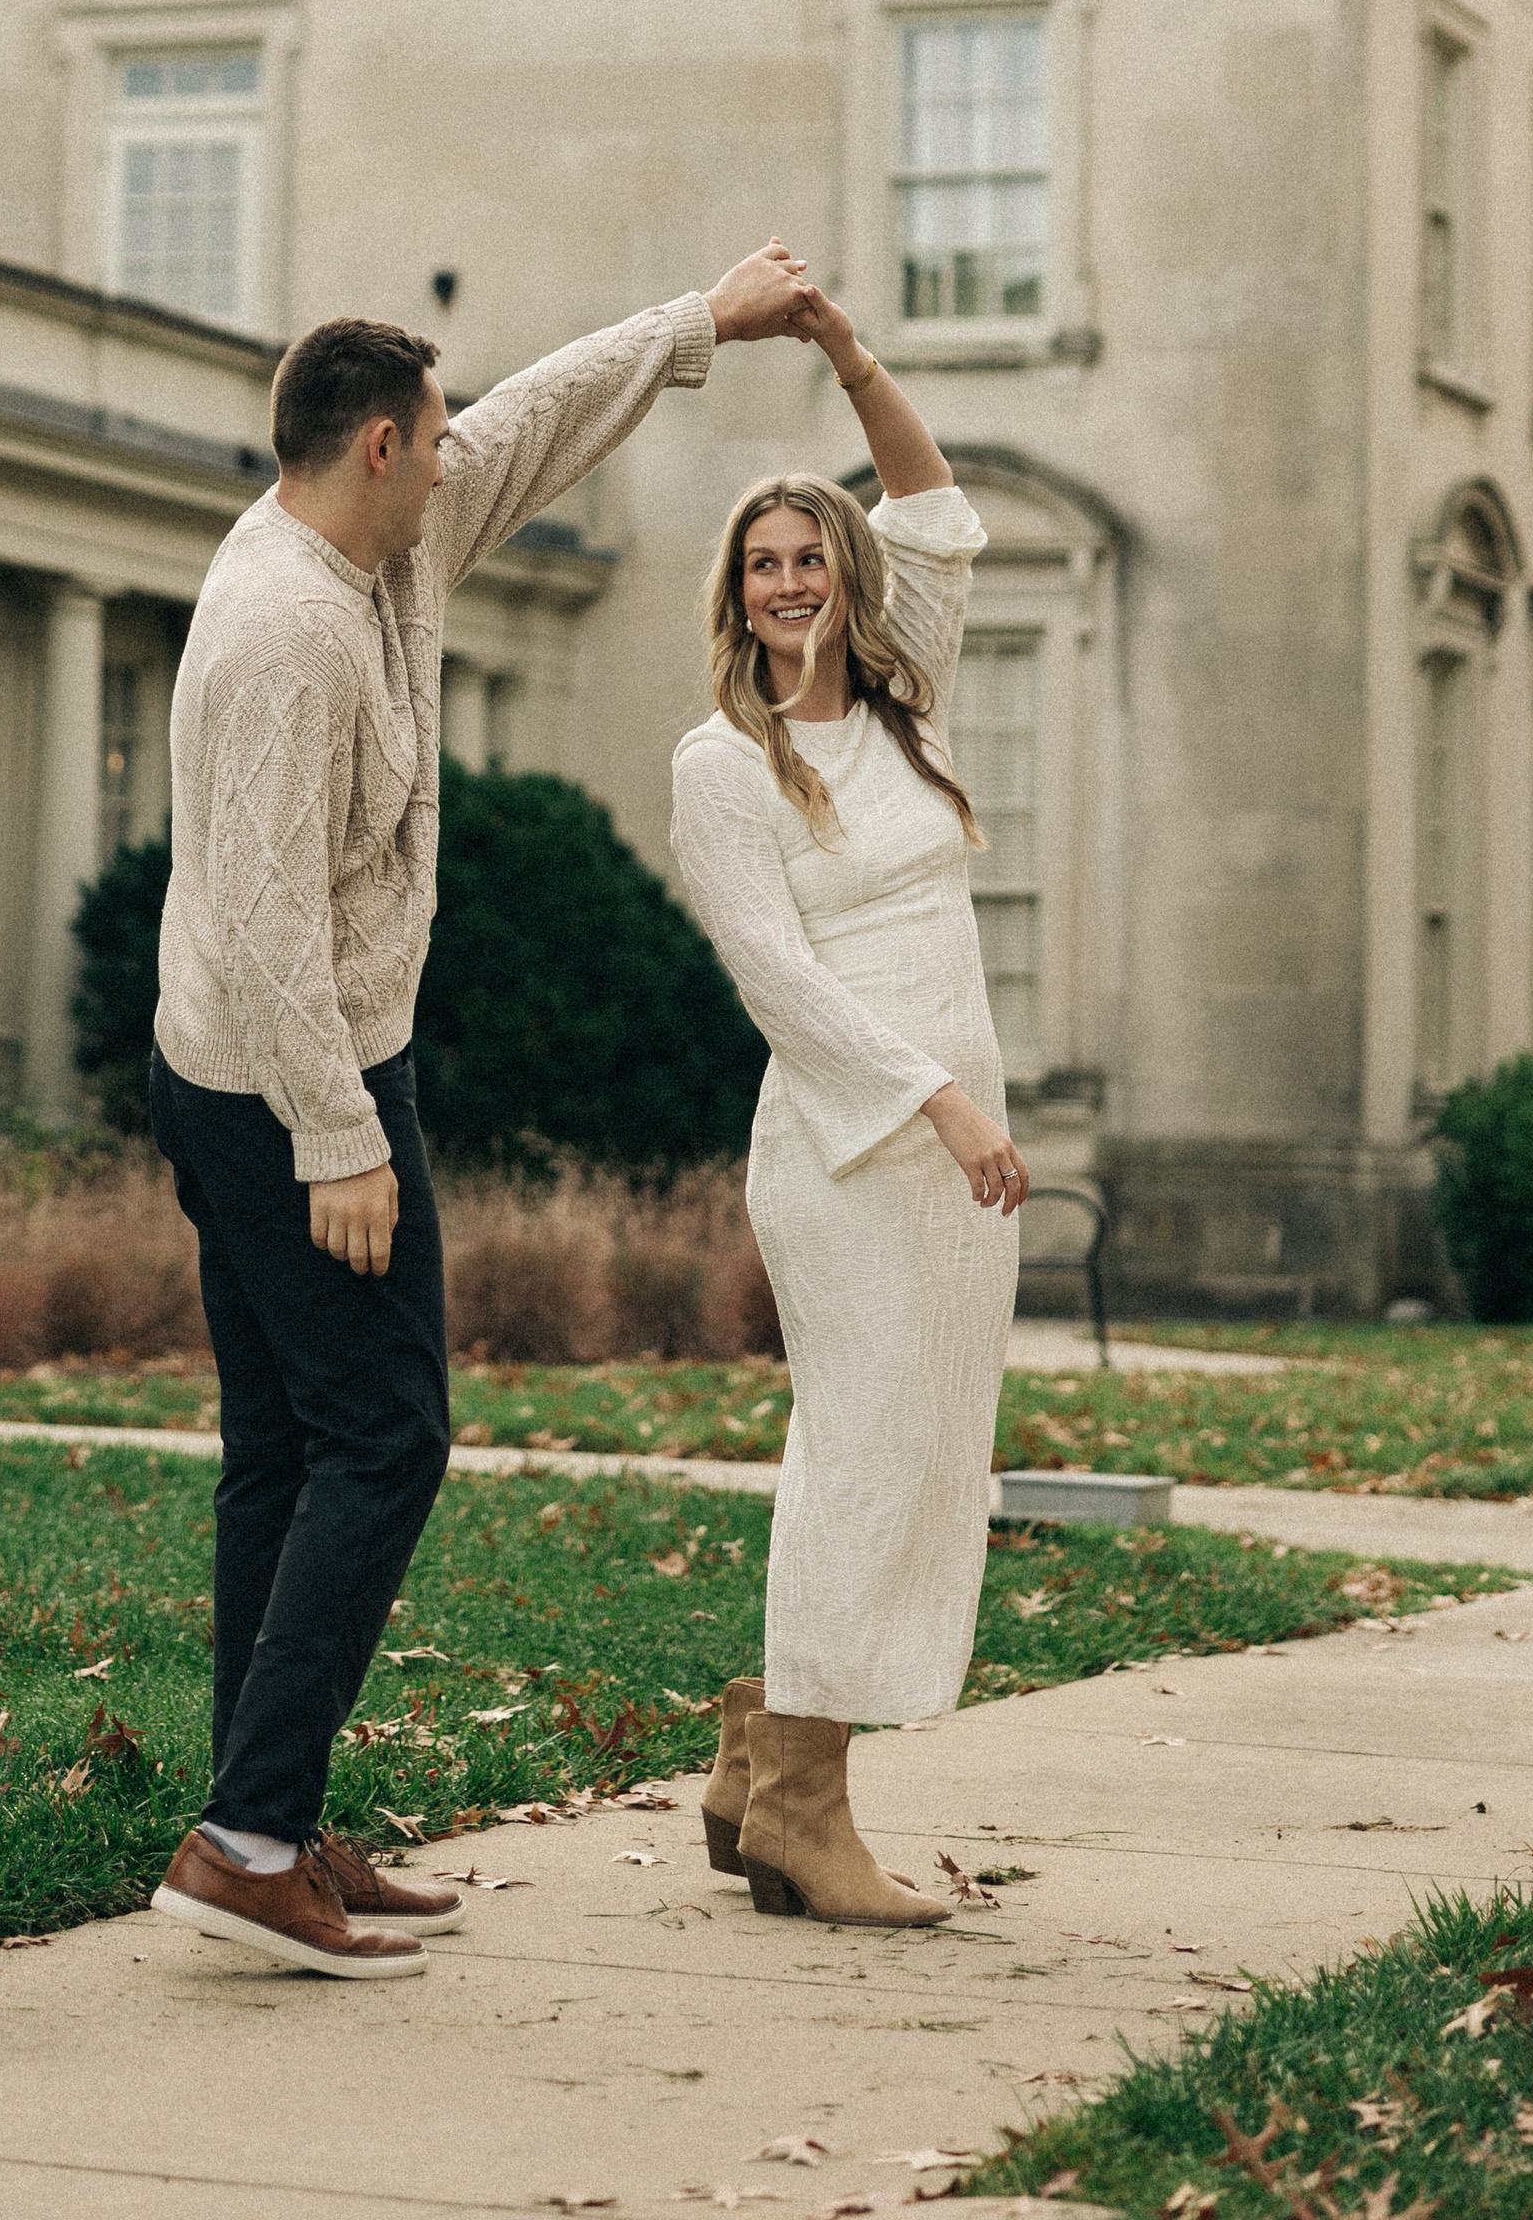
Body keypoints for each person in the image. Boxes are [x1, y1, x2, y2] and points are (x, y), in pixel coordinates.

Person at [149, 241, 818, 1979]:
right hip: (280, 1077)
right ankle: (248, 1840)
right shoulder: (287, 627)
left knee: (289, 1451)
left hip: (273, 1059)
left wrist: (701, 322)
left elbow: (535, 418)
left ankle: (262, 1813)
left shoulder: (393, 535)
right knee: (386, 1437)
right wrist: (339, 1137)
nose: (454, 458)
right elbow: (266, 913)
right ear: (375, 445)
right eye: (429, 440)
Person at [669, 290, 1028, 1927]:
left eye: (814, 554)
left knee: (920, 1444)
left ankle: (758, 1749)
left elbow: (941, 513)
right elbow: (774, 981)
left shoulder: (908, 702)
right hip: (849, 1134)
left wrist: (847, 358)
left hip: (959, 1122)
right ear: (737, 594)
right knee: (861, 1451)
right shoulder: (719, 765)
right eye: (766, 561)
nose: (793, 581)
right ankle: (809, 1811)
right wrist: (938, 1104)